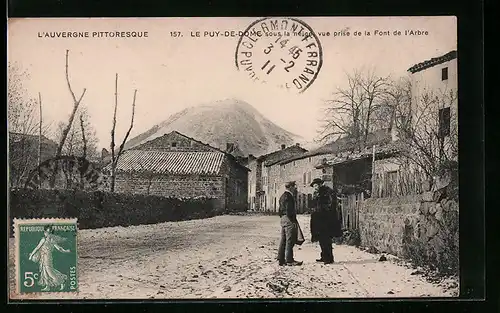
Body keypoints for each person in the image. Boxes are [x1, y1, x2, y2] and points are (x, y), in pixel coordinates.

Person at [309, 178, 342, 264]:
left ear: (320, 184)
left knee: (326, 239)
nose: (315, 187)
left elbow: (330, 205)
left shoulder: (327, 192)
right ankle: (323, 256)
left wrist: (322, 210)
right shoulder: (316, 193)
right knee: (321, 238)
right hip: (318, 219)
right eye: (314, 186)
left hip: (326, 219)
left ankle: (329, 258)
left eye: (316, 185)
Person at [29, 225, 71, 291]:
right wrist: (31, 255)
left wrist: (65, 251)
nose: (48, 234)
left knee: (50, 272)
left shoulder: (52, 240)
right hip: (42, 257)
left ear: (51, 233)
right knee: (44, 272)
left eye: (50, 232)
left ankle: (62, 281)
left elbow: (59, 248)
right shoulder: (43, 239)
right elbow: (37, 248)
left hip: (48, 258)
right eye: (47, 232)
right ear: (44, 232)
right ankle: (47, 287)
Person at [277, 181, 303, 266]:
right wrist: (293, 220)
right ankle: (289, 260)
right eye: (294, 186)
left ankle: (281, 259)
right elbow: (289, 210)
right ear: (291, 187)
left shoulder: (282, 196)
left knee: (283, 239)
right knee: (290, 240)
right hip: (289, 219)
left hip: (283, 219)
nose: (295, 188)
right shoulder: (289, 196)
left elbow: (280, 210)